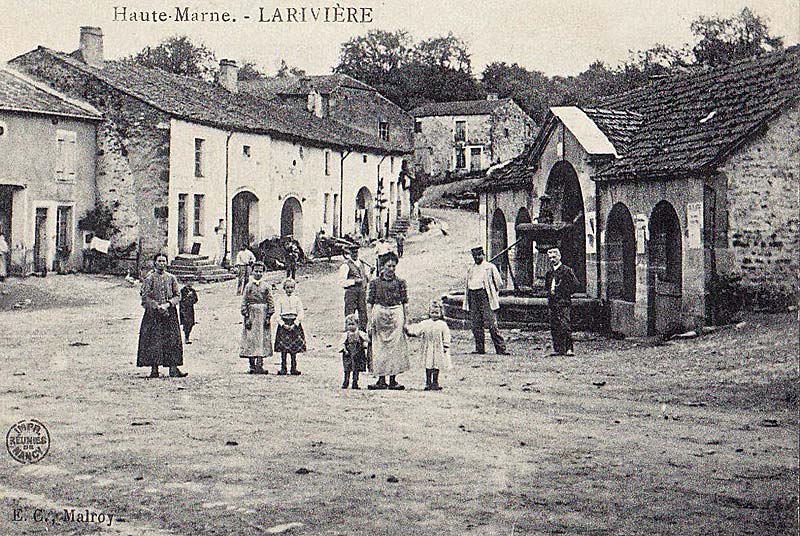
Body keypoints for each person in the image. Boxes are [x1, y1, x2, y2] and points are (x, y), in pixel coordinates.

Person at [136, 253, 187, 378]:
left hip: (169, 313)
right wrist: (157, 306)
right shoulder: (149, 279)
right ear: (155, 263)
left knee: (172, 340)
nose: (161, 263)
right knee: (154, 340)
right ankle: (154, 369)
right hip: (153, 315)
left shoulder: (171, 278)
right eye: (159, 261)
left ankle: (173, 368)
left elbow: (178, 295)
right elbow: (145, 296)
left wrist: (168, 304)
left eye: (164, 261)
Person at [366, 251, 410, 390]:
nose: (391, 269)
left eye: (393, 266)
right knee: (379, 347)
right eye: (388, 266)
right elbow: (369, 303)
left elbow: (405, 302)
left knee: (395, 347)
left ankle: (393, 379)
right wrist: (369, 321)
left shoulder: (400, 282)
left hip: (396, 314)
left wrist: (406, 321)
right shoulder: (374, 283)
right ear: (382, 266)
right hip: (380, 314)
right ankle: (381, 379)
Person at [462, 246, 508, 355]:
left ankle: (501, 348)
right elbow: (467, 284)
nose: (477, 257)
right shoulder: (471, 269)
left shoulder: (490, 267)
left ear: (483, 255)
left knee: (491, 323)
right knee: (476, 324)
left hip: (485, 296)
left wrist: (493, 293)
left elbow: (499, 283)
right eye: (475, 256)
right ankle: (479, 348)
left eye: (479, 255)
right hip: (473, 295)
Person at [405, 299, 452, 391]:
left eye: (437, 313)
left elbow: (446, 335)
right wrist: (409, 331)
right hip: (428, 347)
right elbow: (417, 330)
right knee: (428, 364)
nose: (434, 315)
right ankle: (428, 383)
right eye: (432, 313)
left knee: (436, 365)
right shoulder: (425, 323)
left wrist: (446, 345)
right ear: (429, 313)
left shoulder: (443, 324)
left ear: (441, 313)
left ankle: (435, 382)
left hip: (438, 348)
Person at [544, 247, 580, 356]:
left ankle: (569, 349)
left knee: (565, 325)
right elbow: (547, 287)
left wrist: (565, 292)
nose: (552, 260)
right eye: (550, 258)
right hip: (552, 302)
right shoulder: (549, 272)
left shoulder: (567, 271)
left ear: (559, 257)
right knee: (554, 325)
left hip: (563, 302)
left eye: (554, 257)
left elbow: (575, 285)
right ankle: (558, 349)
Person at [240, 261, 274, 374]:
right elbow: (244, 302)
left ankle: (260, 365)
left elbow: (270, 302)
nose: (258, 273)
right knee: (251, 339)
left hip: (263, 315)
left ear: (263, 273)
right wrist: (246, 316)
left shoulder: (266, 287)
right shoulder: (248, 286)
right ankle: (252, 365)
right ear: (252, 272)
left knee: (262, 340)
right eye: (256, 271)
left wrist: (268, 316)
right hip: (251, 315)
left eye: (260, 271)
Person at [274, 278, 306, 375]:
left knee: (293, 348)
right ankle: (283, 368)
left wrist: (295, 323)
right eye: (287, 287)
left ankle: (293, 368)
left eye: (291, 287)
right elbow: (277, 314)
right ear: (284, 288)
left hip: (294, 325)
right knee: (283, 349)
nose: (289, 290)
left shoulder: (297, 299)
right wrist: (282, 324)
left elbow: (300, 312)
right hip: (284, 324)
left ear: (294, 288)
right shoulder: (280, 300)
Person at [338, 245, 371, 331]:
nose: (355, 254)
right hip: (351, 292)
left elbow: (366, 280)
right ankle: (349, 333)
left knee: (363, 313)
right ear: (349, 253)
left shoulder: (361, 264)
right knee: (350, 313)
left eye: (356, 252)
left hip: (362, 292)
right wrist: (354, 281)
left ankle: (362, 332)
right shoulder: (345, 265)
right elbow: (342, 282)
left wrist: (370, 273)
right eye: (353, 252)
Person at [339, 313, 368, 389]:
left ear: (357, 324)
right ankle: (346, 381)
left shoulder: (360, 333)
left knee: (356, 368)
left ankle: (355, 382)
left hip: (358, 353)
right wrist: (344, 349)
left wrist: (365, 344)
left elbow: (366, 339)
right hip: (348, 353)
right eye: (349, 324)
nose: (351, 326)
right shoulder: (346, 335)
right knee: (347, 368)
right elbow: (342, 343)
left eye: (353, 324)